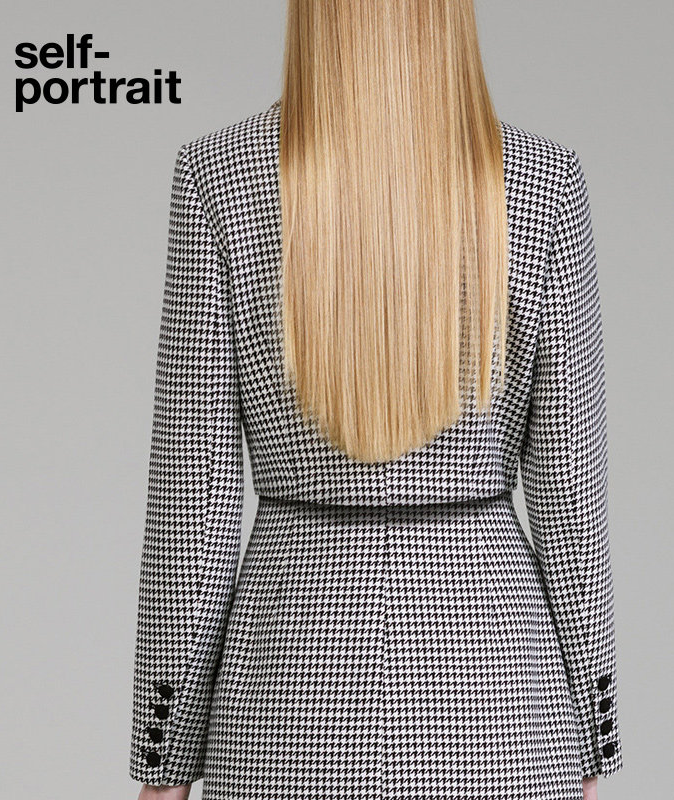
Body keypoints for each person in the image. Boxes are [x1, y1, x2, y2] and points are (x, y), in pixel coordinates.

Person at [128, 2, 624, 799]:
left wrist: (164, 760)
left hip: (287, 702)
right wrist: (593, 737)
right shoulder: (543, 182)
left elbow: (195, 509)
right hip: (499, 703)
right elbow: (572, 497)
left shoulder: (219, 177)